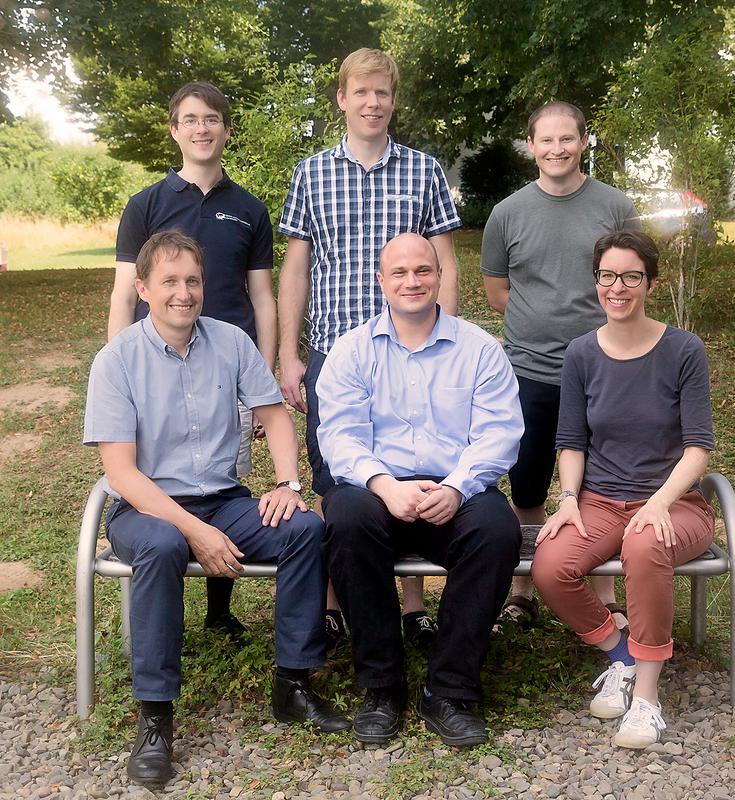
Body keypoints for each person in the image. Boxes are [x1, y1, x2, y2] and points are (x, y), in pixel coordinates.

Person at [84, 231, 349, 787]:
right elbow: (123, 473)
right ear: (143, 289)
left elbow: (275, 415)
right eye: (170, 282)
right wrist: (193, 531)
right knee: (162, 545)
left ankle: (293, 684)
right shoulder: (117, 360)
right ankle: (155, 715)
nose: (184, 293)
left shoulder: (231, 341)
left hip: (223, 500)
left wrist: (287, 482)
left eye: (193, 281)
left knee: (303, 528)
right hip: (148, 508)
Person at [278, 48, 462, 650]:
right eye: (361, 92)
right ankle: (335, 604)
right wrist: (288, 353)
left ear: (393, 99)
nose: (372, 103)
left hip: (411, 349)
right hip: (336, 353)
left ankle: (413, 607)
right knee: (340, 481)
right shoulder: (311, 174)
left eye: (382, 93)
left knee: (414, 466)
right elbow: (296, 269)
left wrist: (449, 344)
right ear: (342, 99)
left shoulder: (425, 171)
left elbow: (447, 262)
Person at [316, 233, 523, 746]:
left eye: (423, 271)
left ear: (439, 276)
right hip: (375, 490)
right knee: (345, 521)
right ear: (380, 281)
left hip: (454, 489)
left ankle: (449, 689)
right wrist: (384, 486)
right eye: (400, 273)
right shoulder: (352, 350)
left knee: (498, 531)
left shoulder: (478, 349)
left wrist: (456, 488)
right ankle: (382, 686)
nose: (413, 281)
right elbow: (338, 436)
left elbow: (500, 432)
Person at [532, 229, 715, 748]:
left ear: (650, 283)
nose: (618, 287)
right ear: (597, 281)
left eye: (631, 276)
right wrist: (568, 500)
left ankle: (647, 701)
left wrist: (659, 502)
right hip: (601, 501)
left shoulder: (683, 349)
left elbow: (699, 446)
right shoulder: (581, 354)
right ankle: (623, 657)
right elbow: (570, 441)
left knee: (645, 542)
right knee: (549, 565)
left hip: (675, 503)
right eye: (608, 276)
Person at [108, 81, 277, 641]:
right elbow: (122, 294)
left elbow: (263, 298)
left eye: (212, 119)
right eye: (190, 119)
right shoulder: (147, 205)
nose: (202, 128)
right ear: (175, 130)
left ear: (227, 130)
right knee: (173, 470)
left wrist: (266, 380)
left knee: (220, 476)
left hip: (228, 365)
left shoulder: (249, 209)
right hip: (159, 359)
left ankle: (219, 608)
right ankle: (168, 608)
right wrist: (118, 364)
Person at [481, 100, 642, 630]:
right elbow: (498, 290)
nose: (556, 149)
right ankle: (522, 592)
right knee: (527, 484)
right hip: (528, 371)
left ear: (583, 141)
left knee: (604, 484)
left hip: (606, 369)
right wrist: (543, 322)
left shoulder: (615, 207)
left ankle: (605, 594)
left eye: (566, 139)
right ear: (530, 146)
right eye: (545, 140)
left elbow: (630, 280)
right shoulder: (507, 213)